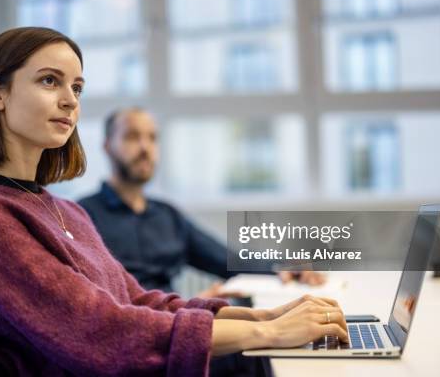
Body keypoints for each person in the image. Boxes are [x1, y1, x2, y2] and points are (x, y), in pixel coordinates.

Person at [0, 26, 348, 376]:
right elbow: (95, 329)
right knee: (263, 357)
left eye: (77, 87)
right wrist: (268, 333)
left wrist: (261, 316)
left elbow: (138, 300)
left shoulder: (65, 210)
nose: (70, 100)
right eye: (50, 80)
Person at [78, 108, 325, 297]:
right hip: (133, 339)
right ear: (108, 146)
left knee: (260, 355)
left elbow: (227, 260)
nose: (145, 147)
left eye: (152, 138)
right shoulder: (82, 217)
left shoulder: (168, 216)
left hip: (177, 330)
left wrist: (281, 268)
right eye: (132, 136)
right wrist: (190, 308)